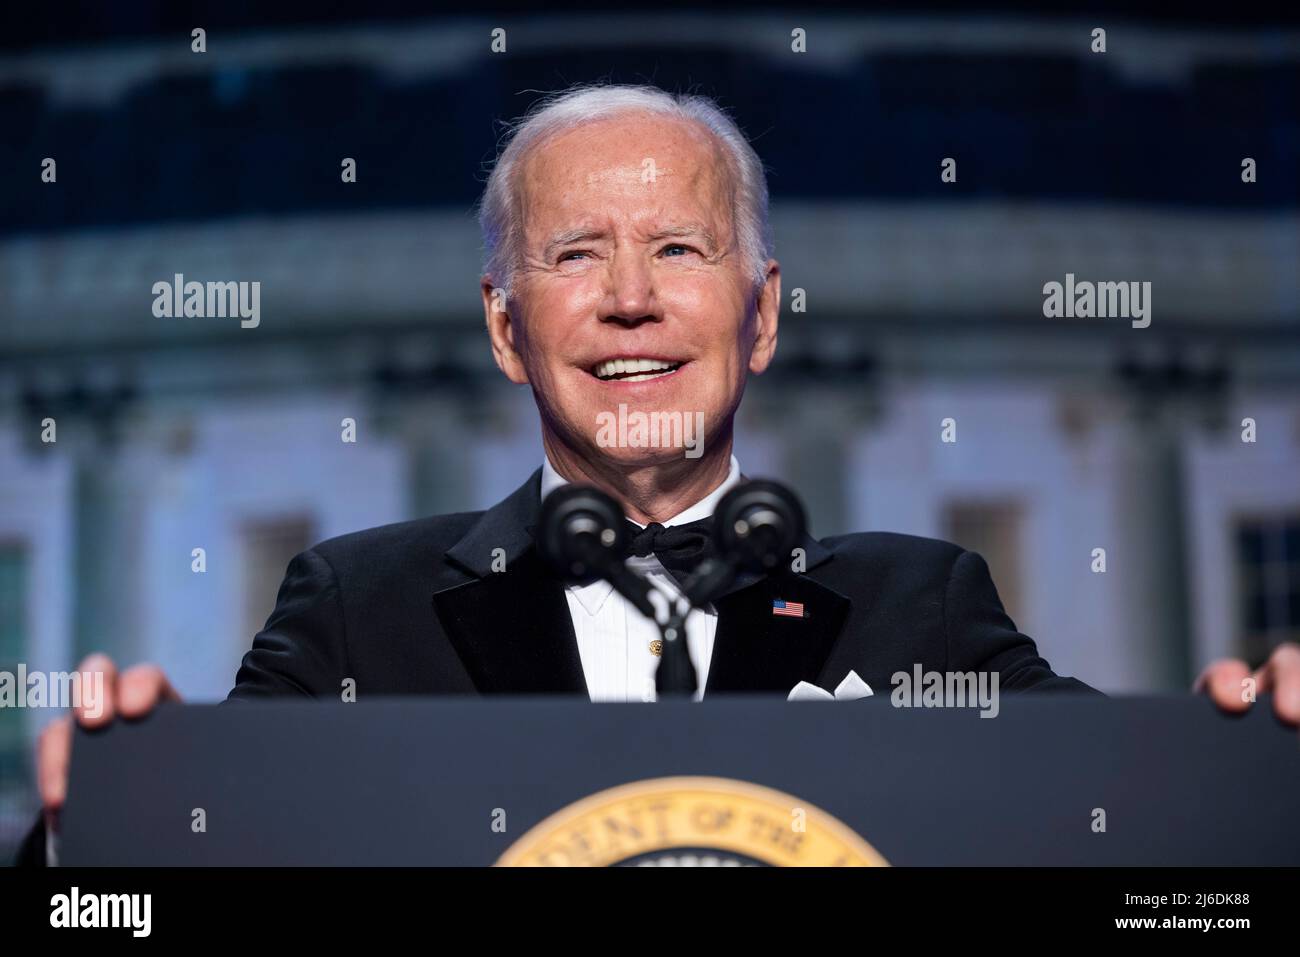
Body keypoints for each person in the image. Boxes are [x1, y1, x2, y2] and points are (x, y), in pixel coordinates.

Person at [23, 84, 1300, 866]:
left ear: (760, 317)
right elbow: (154, 901)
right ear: (505, 327)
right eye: (577, 254)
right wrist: (103, 813)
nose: (631, 300)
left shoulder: (927, 608)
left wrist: (1243, 755)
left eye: (679, 247)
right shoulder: (356, 608)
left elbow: (1122, 839)